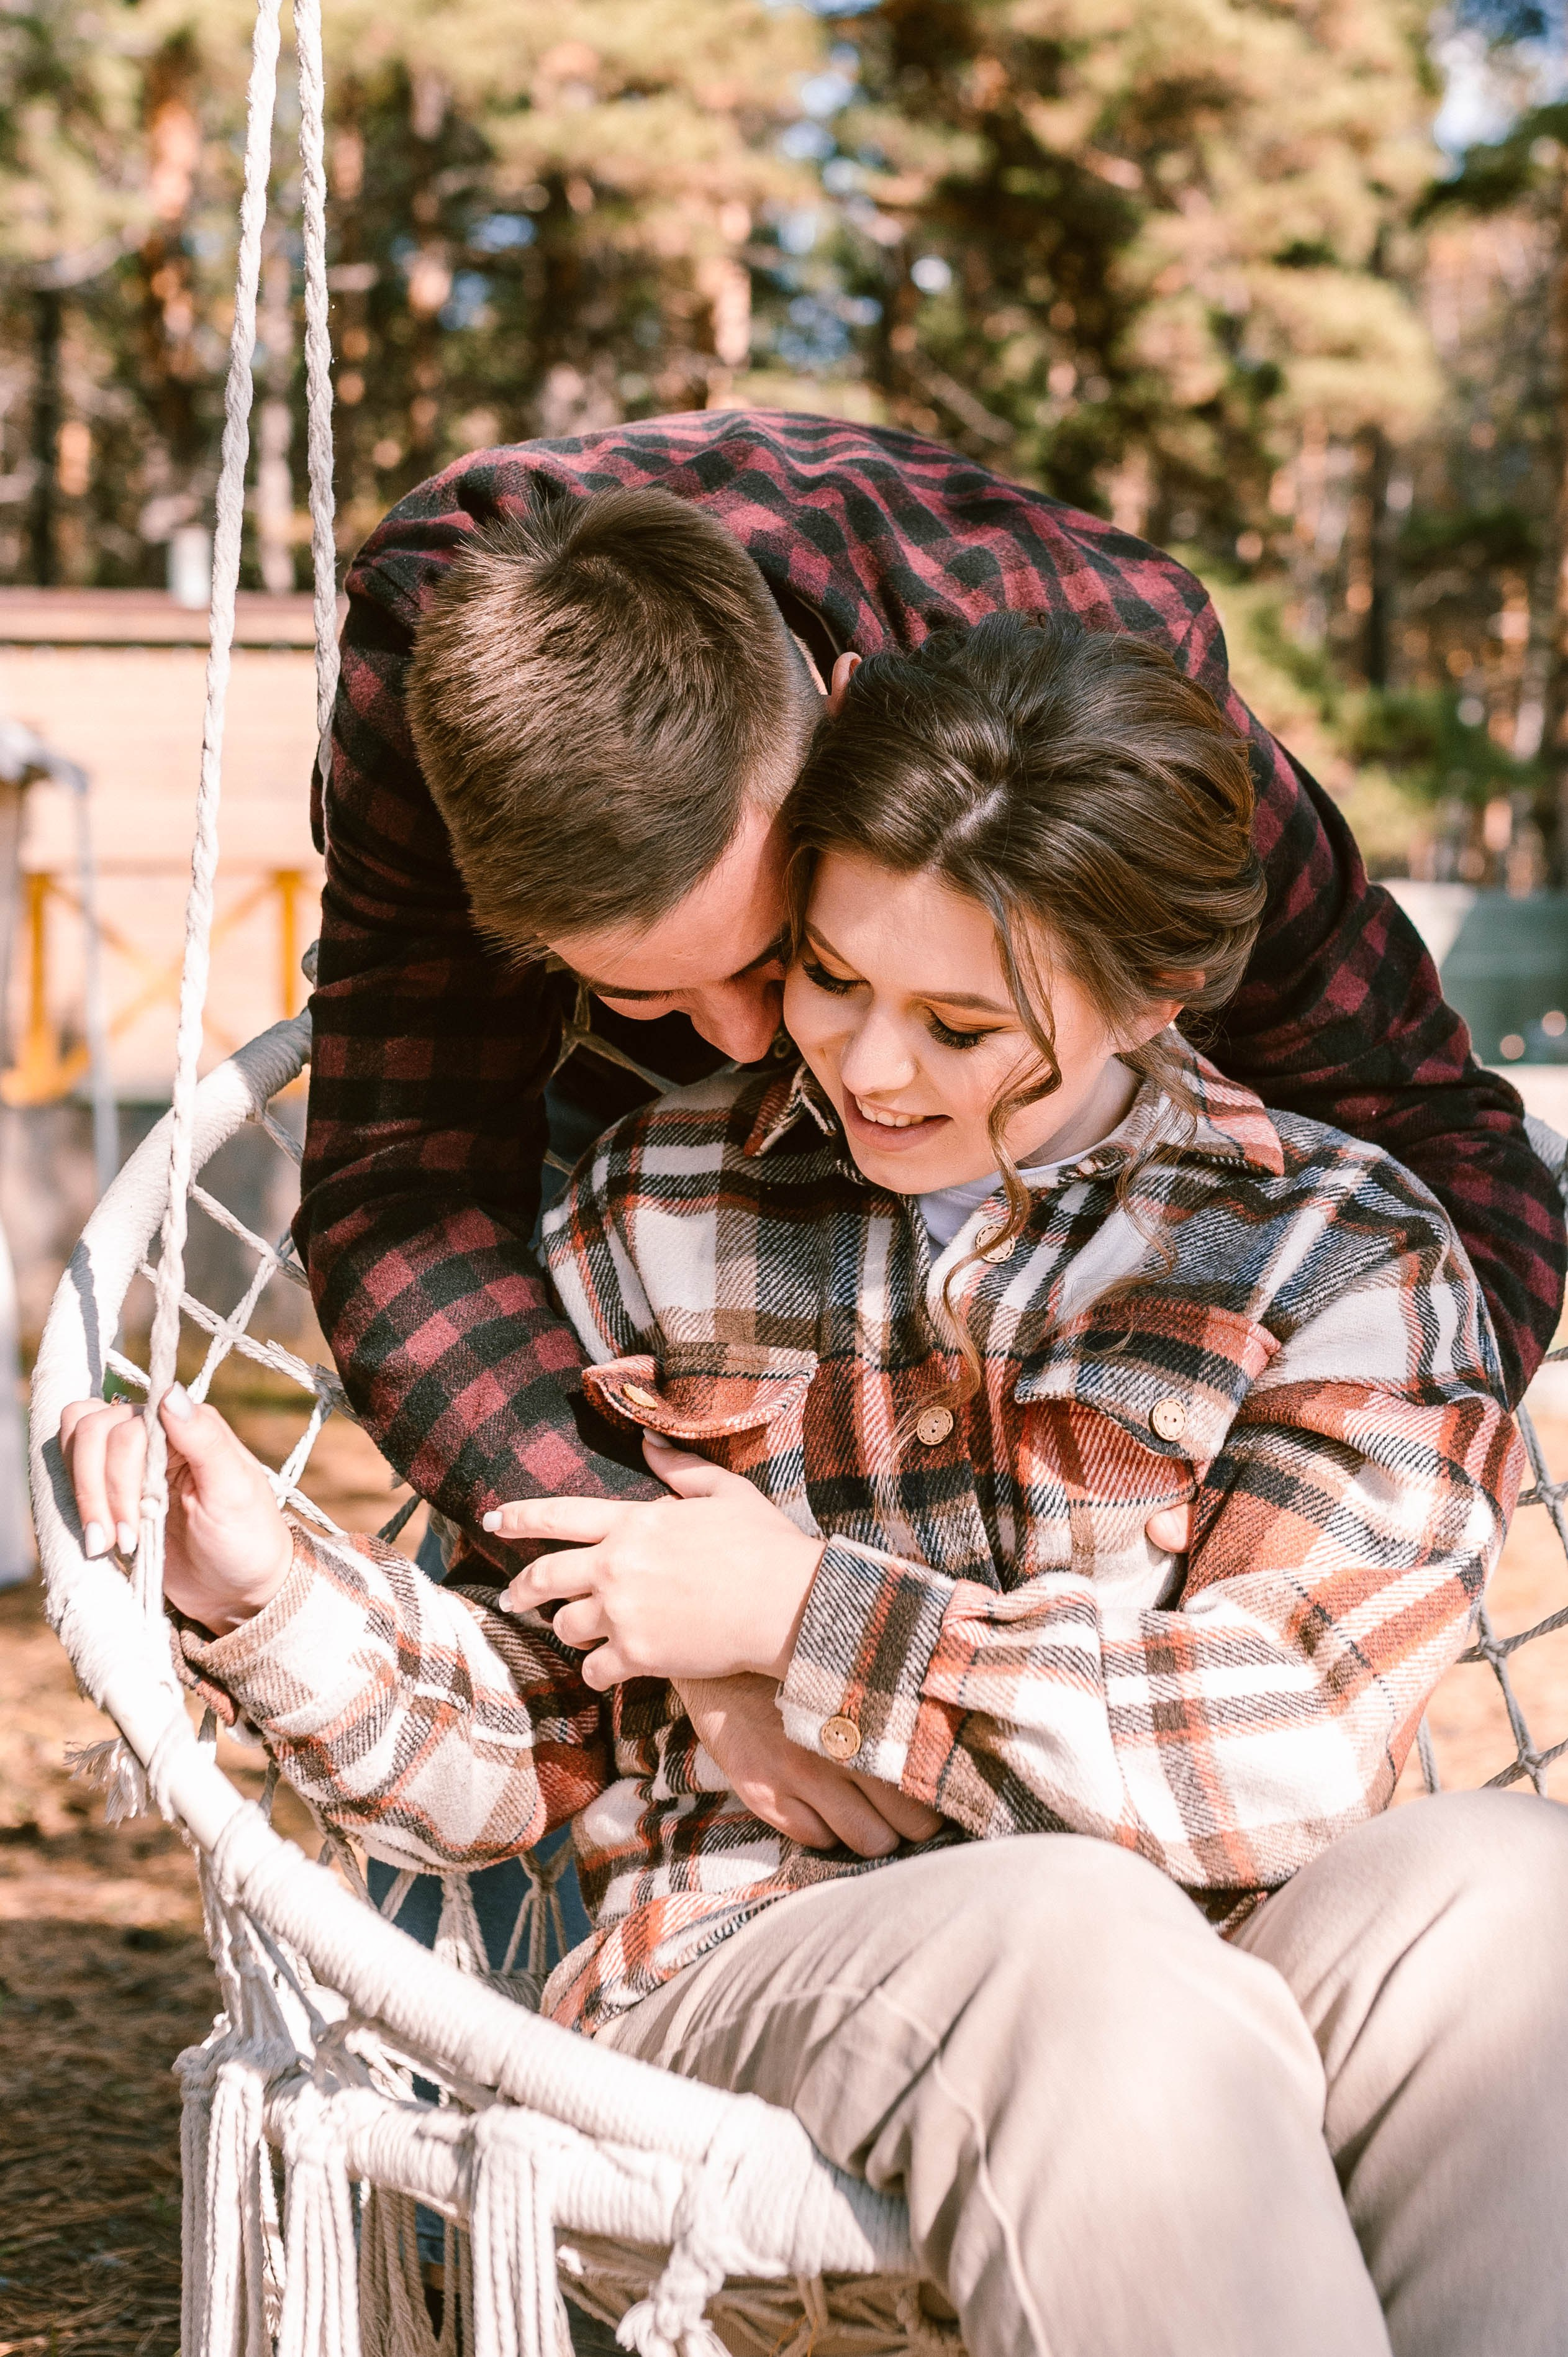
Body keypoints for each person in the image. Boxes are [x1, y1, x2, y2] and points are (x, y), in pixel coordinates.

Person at [61, 616, 1568, 2357]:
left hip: (1236, 1939)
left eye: (959, 1024)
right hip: (757, 1962)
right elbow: (522, 1734)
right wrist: (268, 1589)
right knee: (1063, 1929)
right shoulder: (658, 1199)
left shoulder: (1332, 1249)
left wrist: (801, 1615)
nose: (865, 1066)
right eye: (832, 976)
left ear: (1149, 998)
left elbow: (1288, 1744)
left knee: (1511, 1891)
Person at [300, 418, 1567, 1853]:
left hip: (1094, 1255)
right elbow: (397, 1192)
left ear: (843, 741)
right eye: (646, 990)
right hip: (687, 1252)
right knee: (553, 1614)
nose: (741, 1037)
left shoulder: (1091, 710)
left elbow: (1436, 1126)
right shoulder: (436, 716)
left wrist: (1300, 1469)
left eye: (787, 952)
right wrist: (698, 1625)